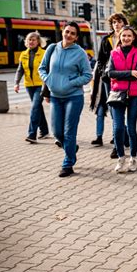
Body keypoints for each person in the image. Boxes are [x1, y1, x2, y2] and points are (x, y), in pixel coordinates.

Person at [38, 21, 92, 177]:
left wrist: (70, 83)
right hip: (55, 97)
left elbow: (87, 75)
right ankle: (71, 148)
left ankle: (68, 163)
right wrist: (48, 79)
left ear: (76, 37)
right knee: (57, 132)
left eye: (72, 33)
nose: (69, 35)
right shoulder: (52, 48)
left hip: (74, 97)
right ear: (62, 32)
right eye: (67, 31)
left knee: (69, 132)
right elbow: (42, 68)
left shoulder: (80, 53)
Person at [105, 25, 137, 173]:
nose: (126, 38)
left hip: (134, 95)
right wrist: (129, 72)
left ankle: (133, 158)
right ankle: (121, 158)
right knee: (118, 128)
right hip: (117, 94)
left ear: (133, 38)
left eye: (129, 36)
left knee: (132, 128)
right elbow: (110, 73)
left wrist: (119, 74)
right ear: (119, 37)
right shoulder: (113, 53)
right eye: (124, 36)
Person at [90, 13, 129, 154]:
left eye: (119, 22)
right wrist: (104, 73)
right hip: (109, 81)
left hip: (126, 80)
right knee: (114, 112)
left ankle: (126, 135)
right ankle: (116, 145)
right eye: (113, 22)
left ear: (124, 23)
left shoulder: (129, 37)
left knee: (125, 112)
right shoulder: (106, 40)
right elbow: (100, 60)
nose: (116, 24)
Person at [13, 32, 49, 143]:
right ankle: (44, 130)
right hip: (29, 85)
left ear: (38, 42)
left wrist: (49, 87)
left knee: (34, 107)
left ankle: (32, 134)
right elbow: (20, 70)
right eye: (29, 40)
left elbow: (48, 70)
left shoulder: (44, 53)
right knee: (37, 107)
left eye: (33, 40)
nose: (31, 42)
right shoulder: (23, 54)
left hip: (41, 84)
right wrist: (16, 83)